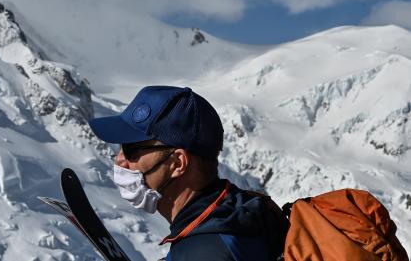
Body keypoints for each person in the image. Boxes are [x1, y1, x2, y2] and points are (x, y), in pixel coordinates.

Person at [88, 86, 287, 261]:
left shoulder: (205, 249)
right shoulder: (243, 212)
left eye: (131, 149)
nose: (119, 160)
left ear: (177, 163)